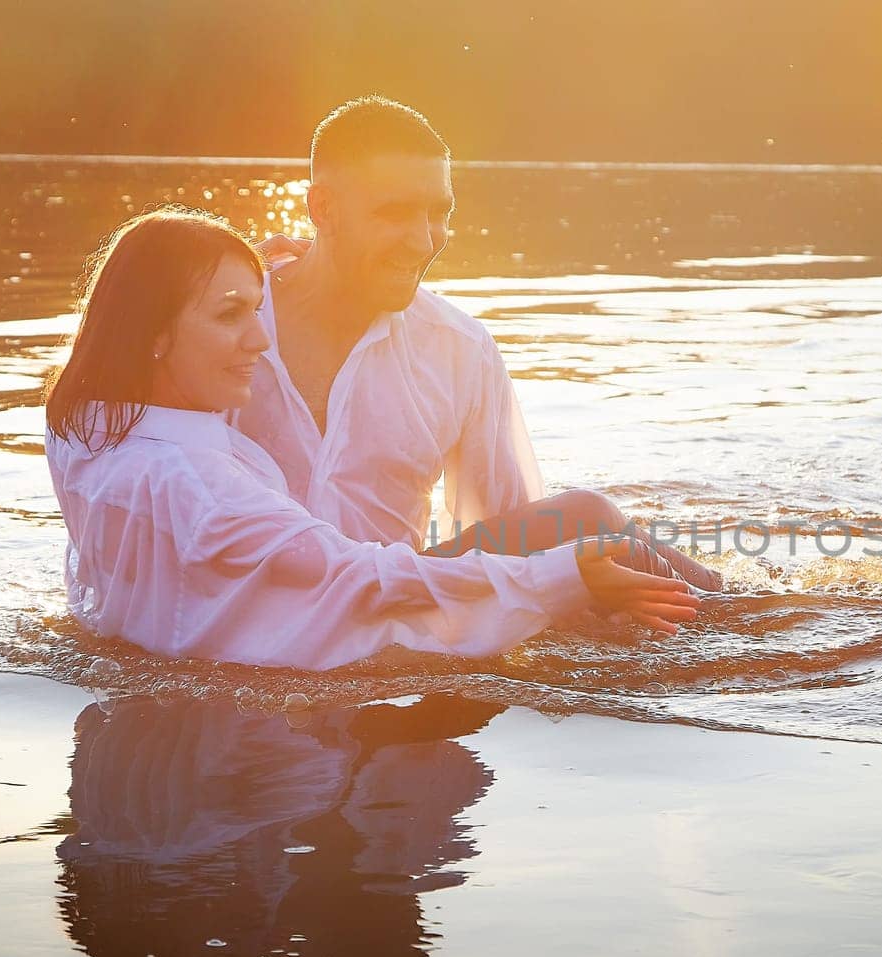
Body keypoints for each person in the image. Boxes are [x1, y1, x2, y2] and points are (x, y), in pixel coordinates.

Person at [43, 207, 701, 670]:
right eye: (231, 314)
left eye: (255, 306)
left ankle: (738, 607)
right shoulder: (204, 489)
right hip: (330, 635)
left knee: (593, 530)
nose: (260, 337)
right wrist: (562, 577)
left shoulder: (86, 429)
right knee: (591, 528)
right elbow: (356, 577)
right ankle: (761, 620)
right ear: (153, 334)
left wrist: (277, 269)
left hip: (236, 619)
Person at [237, 95, 725, 591]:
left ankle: (741, 607)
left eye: (437, 212)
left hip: (384, 606)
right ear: (323, 208)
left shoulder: (459, 349)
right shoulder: (222, 324)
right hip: (247, 604)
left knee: (589, 522)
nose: (424, 240)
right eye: (395, 213)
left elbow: (513, 534)